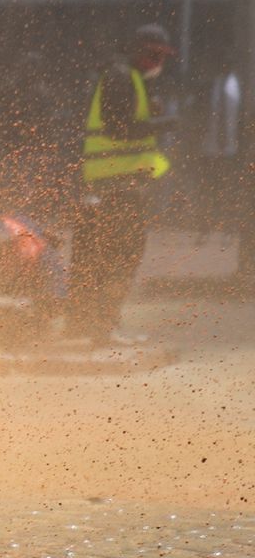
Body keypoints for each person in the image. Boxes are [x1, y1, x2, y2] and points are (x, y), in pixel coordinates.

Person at [68, 24, 175, 343]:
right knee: (114, 257)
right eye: (152, 54)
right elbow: (118, 129)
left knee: (113, 257)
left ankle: (99, 324)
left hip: (120, 187)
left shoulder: (131, 80)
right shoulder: (120, 77)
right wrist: (161, 123)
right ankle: (97, 325)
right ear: (136, 50)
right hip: (113, 188)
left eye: (161, 56)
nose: (158, 62)